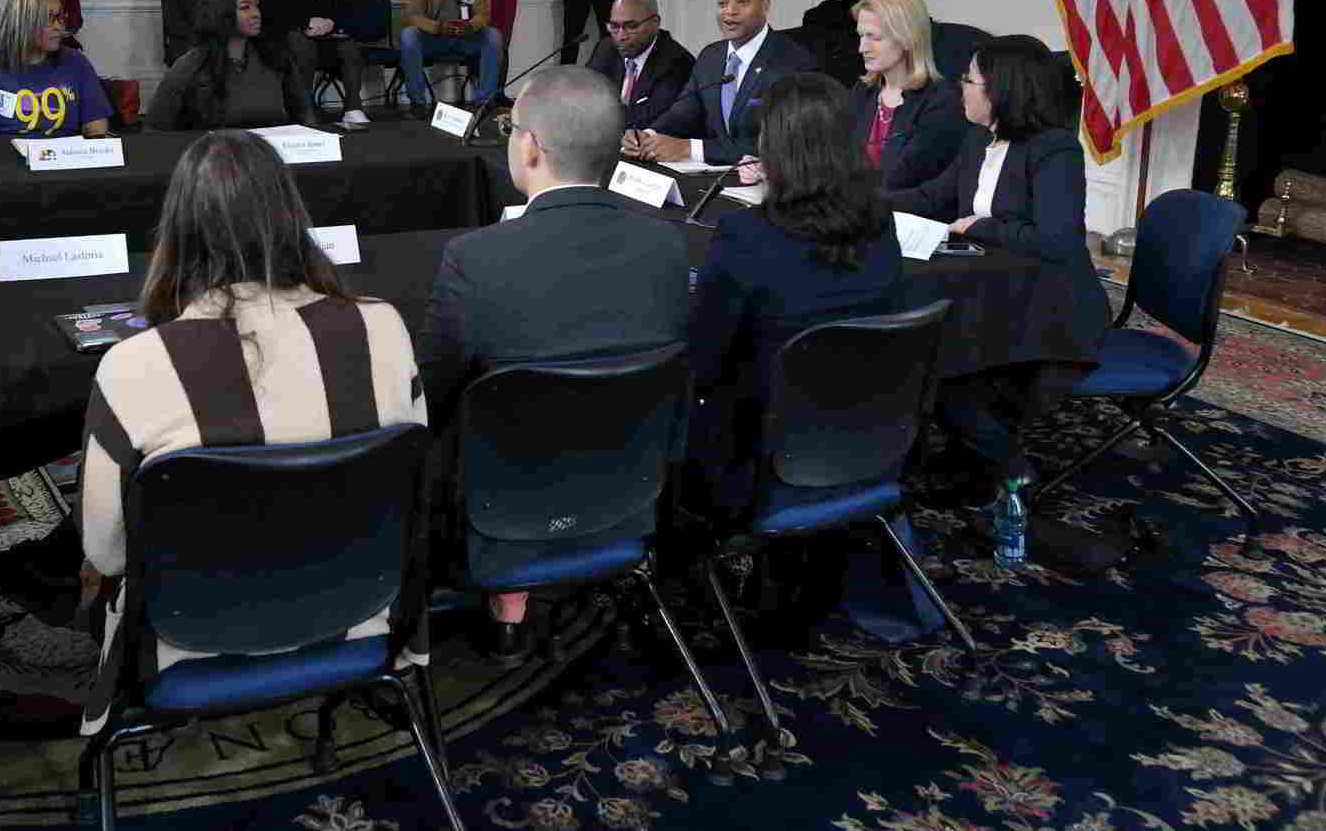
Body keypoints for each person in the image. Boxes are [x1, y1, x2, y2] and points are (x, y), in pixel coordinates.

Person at [78, 130, 426, 733]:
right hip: (361, 614)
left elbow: (104, 553)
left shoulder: (132, 364)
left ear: (177, 233)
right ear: (294, 216)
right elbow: (410, 490)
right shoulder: (386, 329)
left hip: (187, 640)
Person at [416, 66, 688, 660]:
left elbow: (429, 401)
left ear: (532, 147)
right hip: (629, 491)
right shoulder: (669, 247)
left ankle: (503, 597)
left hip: (496, 507)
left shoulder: (474, 259)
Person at [885, 36, 1110, 491]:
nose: (960, 89)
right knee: (928, 347)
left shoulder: (1055, 151)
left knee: (940, 364)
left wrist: (977, 227)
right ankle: (961, 461)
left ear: (1001, 89)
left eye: (969, 80)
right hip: (994, 294)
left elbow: (1058, 240)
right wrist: (859, 204)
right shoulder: (978, 137)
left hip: (1049, 309)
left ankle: (1010, 472)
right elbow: (934, 197)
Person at [685, 73, 904, 515]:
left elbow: (702, 364)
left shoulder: (745, 235)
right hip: (870, 441)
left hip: (759, 460)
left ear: (776, 150)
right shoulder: (881, 224)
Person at [630, 0, 817, 179]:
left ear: (765, 6)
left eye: (742, 2)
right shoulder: (711, 56)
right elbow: (684, 111)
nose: (730, 11)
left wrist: (688, 148)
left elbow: (780, 145)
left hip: (768, 185)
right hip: (711, 179)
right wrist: (648, 137)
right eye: (722, 3)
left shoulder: (793, 63)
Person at [0, 0, 112, 140]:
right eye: (50, 19)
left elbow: (97, 131)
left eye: (60, 17)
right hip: (4, 163)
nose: (59, 27)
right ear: (23, 23)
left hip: (67, 162)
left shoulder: (77, 63)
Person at [146, 0, 314, 131]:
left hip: (270, 156)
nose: (256, 13)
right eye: (245, 8)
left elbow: (304, 115)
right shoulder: (191, 64)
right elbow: (155, 126)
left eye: (256, 5)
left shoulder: (276, 57)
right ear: (221, 11)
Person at [849, 0, 966, 191]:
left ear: (907, 39)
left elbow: (905, 179)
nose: (862, 48)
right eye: (861, 36)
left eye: (874, 37)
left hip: (903, 214)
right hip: (857, 209)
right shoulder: (863, 90)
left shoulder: (941, 102)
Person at [259, 0, 368, 125]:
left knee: (350, 46)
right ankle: (304, 108)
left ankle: (353, 107)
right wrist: (306, 22)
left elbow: (342, 7)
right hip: (296, 38)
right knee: (302, 43)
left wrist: (330, 22)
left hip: (328, 37)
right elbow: (273, 13)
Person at [399, 0, 502, 115]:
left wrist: (469, 26)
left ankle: (484, 102)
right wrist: (437, 27)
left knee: (493, 35)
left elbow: (484, 14)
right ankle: (417, 103)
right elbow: (413, 14)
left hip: (466, 38)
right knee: (409, 35)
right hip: (434, 38)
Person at [586, 0, 693, 133]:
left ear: (655, 22)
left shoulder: (677, 63)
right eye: (614, 26)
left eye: (631, 26)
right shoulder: (606, 48)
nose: (621, 36)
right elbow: (586, 95)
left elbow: (650, 119)